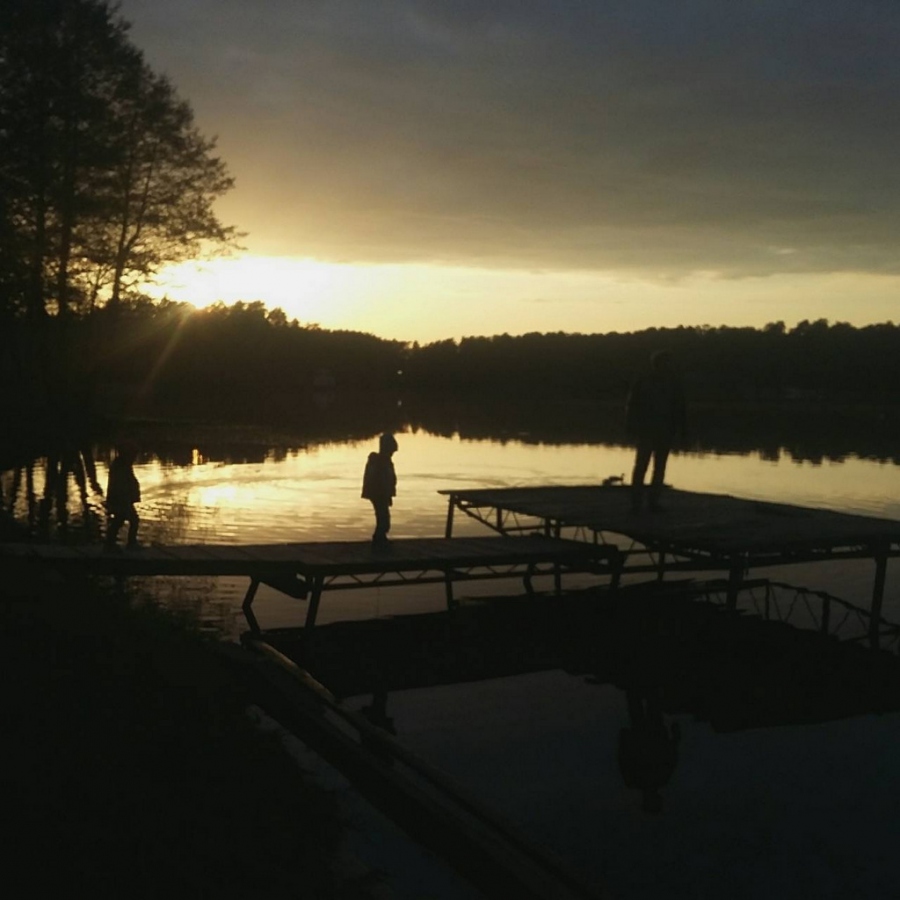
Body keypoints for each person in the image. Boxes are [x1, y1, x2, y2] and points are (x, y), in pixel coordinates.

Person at [625, 350, 686, 512]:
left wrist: (679, 429)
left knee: (657, 468)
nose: (667, 366)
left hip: (664, 431)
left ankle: (651, 502)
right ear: (657, 364)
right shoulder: (645, 382)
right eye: (665, 363)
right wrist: (632, 425)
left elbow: (679, 408)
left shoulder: (672, 383)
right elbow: (632, 405)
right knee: (642, 467)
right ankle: (637, 502)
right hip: (647, 431)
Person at [361, 433, 398, 546]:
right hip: (378, 494)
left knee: (383, 517)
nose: (392, 454)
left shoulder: (385, 461)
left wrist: (389, 495)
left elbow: (389, 480)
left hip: (382, 494)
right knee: (383, 518)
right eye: (391, 451)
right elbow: (380, 480)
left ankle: (380, 538)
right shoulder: (379, 461)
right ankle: (379, 539)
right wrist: (385, 494)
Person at [105, 441, 141, 548]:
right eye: (133, 455)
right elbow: (120, 485)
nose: (134, 458)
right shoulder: (120, 466)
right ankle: (111, 544)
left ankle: (128, 542)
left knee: (125, 520)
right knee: (123, 520)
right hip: (121, 499)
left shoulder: (123, 465)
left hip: (124, 499)